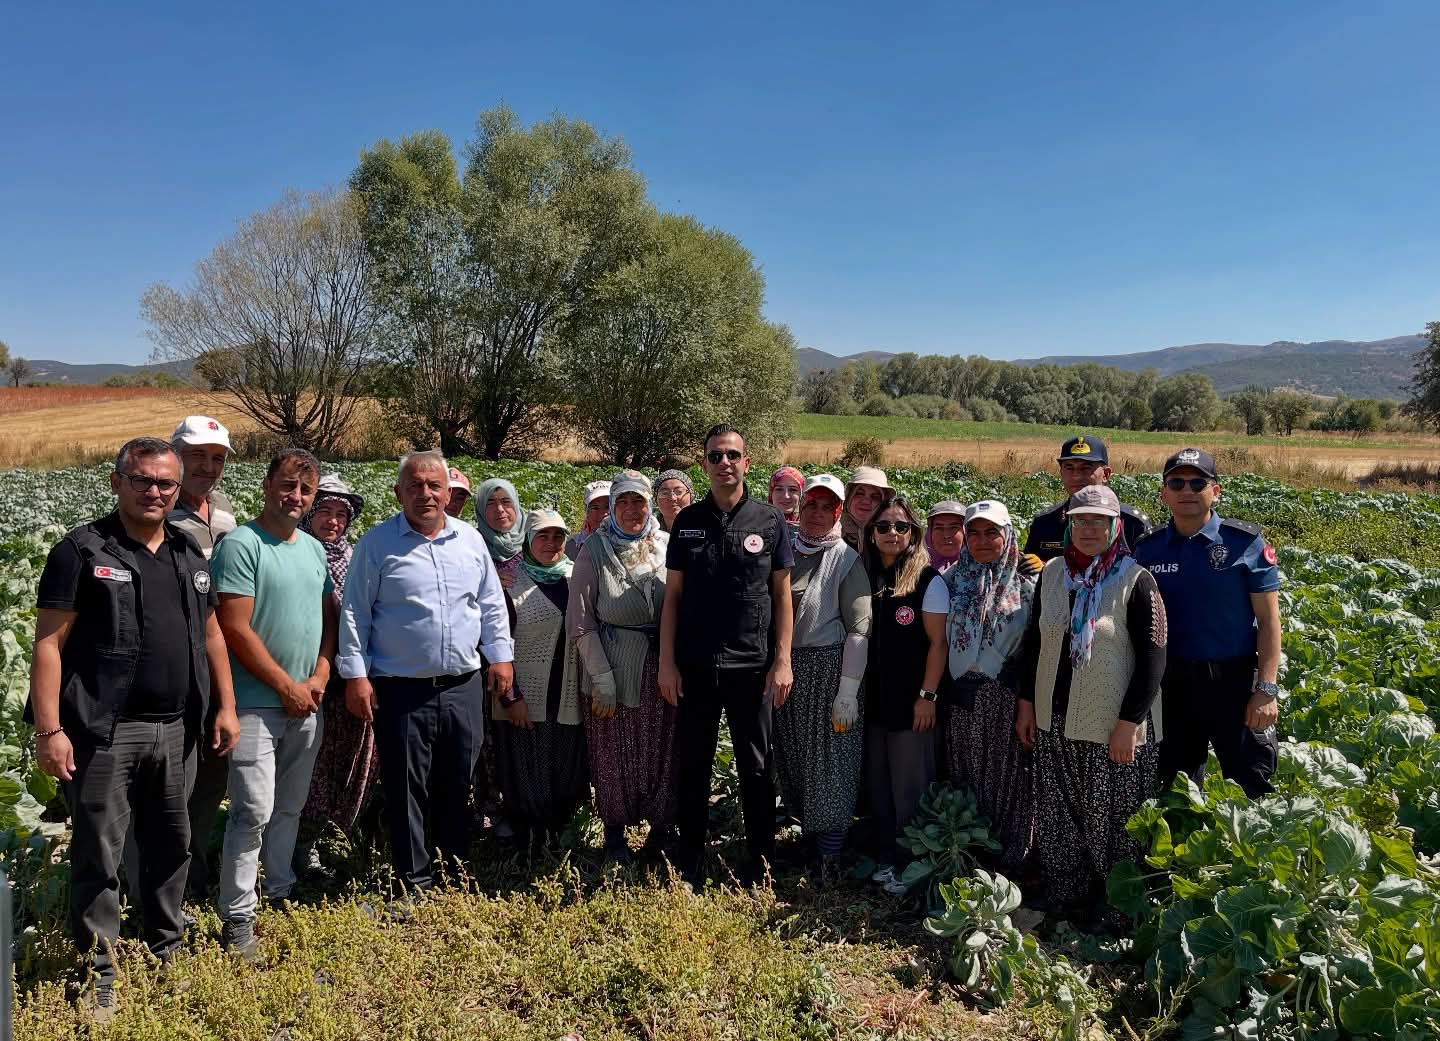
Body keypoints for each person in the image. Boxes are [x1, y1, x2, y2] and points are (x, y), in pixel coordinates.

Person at [28, 437, 238, 1020]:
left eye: (166, 482)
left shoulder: (188, 553)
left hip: (177, 729)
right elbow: (49, 645)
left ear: (178, 488)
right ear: (117, 481)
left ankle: (167, 948)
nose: (154, 491)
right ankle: (98, 969)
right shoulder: (80, 551)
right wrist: (50, 730)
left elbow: (212, 635)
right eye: (142, 479)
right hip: (103, 732)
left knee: (172, 845)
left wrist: (225, 705)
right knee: (100, 853)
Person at [337, 451, 514, 894]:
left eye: (434, 486)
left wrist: (500, 657)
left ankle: (452, 872)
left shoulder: (470, 541)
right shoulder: (377, 544)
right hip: (401, 689)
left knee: (458, 781)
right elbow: (355, 613)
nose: (425, 494)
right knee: (406, 786)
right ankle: (412, 882)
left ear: (448, 493)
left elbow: (490, 604)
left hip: (462, 685)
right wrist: (355, 675)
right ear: (399, 493)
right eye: (415, 486)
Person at [1015, 485, 1166, 920]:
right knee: (1059, 815)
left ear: (1115, 527)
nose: (1088, 529)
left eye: (1099, 521)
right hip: (1054, 720)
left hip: (1111, 728)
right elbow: (1034, 643)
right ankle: (1068, 898)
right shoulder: (1053, 574)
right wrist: (1027, 704)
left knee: (1114, 823)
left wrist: (1129, 722)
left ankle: (1118, 910)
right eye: (1080, 520)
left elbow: (1154, 658)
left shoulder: (1136, 580)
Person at [211, 449, 335, 959]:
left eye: (305, 490)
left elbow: (327, 620)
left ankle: (279, 888)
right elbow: (234, 628)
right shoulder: (242, 545)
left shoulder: (314, 549)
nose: (295, 497)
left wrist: (320, 674)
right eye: (287, 485)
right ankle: (237, 914)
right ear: (266, 486)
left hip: (306, 702)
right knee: (252, 811)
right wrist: (287, 686)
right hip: (256, 704)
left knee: (289, 806)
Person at [660, 425, 794, 887]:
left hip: (752, 667)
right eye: (715, 456)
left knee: (756, 767)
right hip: (695, 666)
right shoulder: (687, 521)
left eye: (732, 455)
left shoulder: (769, 521)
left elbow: (782, 595)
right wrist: (667, 663)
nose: (724, 463)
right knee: (694, 766)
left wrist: (782, 659)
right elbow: (673, 597)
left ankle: (760, 866)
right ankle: (690, 865)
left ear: (746, 462)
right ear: (704, 465)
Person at [1132, 448, 1281, 799]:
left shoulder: (1244, 543)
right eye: (1177, 483)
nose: (1187, 490)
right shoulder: (1148, 550)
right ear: (1163, 493)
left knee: (1251, 786)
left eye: (1198, 483)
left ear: (1215, 491)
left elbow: (1269, 621)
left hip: (1235, 685)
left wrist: (1266, 690)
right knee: (1176, 790)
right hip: (1173, 687)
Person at [569, 471, 677, 863]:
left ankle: (660, 831)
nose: (632, 510)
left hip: (663, 668)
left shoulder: (667, 545)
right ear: (612, 508)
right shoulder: (594, 549)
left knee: (662, 749)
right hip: (613, 668)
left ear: (650, 505)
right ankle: (615, 835)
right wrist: (601, 677)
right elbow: (581, 623)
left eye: (639, 501)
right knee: (612, 753)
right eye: (623, 502)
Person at [928, 500, 1035, 870]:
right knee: (965, 773)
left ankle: (1010, 859)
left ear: (1007, 536)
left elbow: (1034, 652)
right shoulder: (948, 583)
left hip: (1006, 701)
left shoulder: (1027, 587)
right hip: (961, 699)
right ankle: (970, 855)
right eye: (973, 533)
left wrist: (1026, 702)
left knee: (1008, 779)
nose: (982, 541)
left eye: (992, 532)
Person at [771, 474, 870, 865]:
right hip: (788, 670)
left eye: (826, 507)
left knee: (831, 762)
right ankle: (810, 841)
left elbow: (860, 629)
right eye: (811, 504)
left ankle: (830, 856)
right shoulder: (785, 551)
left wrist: (847, 692)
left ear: (838, 512)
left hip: (829, 673)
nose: (816, 513)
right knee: (796, 758)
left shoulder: (846, 560)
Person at [166, 415, 239, 900]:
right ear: (174, 455)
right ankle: (162, 884)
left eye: (216, 458)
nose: (207, 466)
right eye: (196, 455)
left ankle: (193, 875)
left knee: (212, 776)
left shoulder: (224, 508)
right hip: (176, 665)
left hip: (222, 661)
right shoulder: (157, 507)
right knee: (172, 781)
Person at [861, 495, 947, 896]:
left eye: (901, 526)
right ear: (871, 533)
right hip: (874, 702)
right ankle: (886, 857)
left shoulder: (928, 581)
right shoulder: (866, 574)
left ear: (914, 533)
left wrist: (927, 696)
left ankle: (913, 866)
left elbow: (938, 645)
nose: (892, 533)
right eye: (883, 526)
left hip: (912, 704)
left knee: (910, 786)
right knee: (879, 785)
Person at [492, 509, 589, 852]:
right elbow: (496, 645)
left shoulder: (576, 576)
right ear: (528, 541)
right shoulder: (509, 583)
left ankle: (560, 838)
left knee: (564, 766)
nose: (551, 543)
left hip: (567, 690)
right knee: (525, 768)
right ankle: (527, 842)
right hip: (525, 694)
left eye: (558, 536)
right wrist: (510, 697)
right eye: (542, 536)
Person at [294, 474, 377, 878]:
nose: (332, 521)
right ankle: (299, 846)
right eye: (324, 511)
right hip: (309, 679)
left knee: (352, 759)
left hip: (354, 679)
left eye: (340, 514)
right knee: (311, 764)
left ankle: (337, 835)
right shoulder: (297, 554)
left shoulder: (359, 558)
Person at [1023, 436, 1151, 562]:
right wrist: (1043, 569)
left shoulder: (1132, 523)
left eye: (1086, 468)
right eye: (1069, 468)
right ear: (1061, 472)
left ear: (1106, 474)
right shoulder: (1045, 523)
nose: (1076, 476)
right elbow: (1027, 572)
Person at [474, 477, 526, 589]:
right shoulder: (471, 544)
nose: (499, 509)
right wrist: (487, 583)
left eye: (506, 501)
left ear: (516, 504)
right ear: (481, 508)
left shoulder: (536, 538)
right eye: (490, 503)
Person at [840, 466, 892, 549]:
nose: (866, 501)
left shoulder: (892, 536)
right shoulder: (829, 532)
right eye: (859, 493)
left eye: (875, 497)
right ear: (849, 497)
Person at [565, 481, 611, 560]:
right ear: (586, 512)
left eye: (607, 507)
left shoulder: (629, 542)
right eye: (595, 508)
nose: (603, 514)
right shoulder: (572, 545)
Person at [924, 501, 966, 572]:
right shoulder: (913, 569)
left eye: (954, 527)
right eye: (939, 528)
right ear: (929, 533)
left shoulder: (981, 568)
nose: (946, 535)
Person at [768, 466, 805, 531]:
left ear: (801, 493)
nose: (786, 496)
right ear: (771, 493)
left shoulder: (813, 526)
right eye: (779, 489)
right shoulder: (759, 524)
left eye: (792, 490)